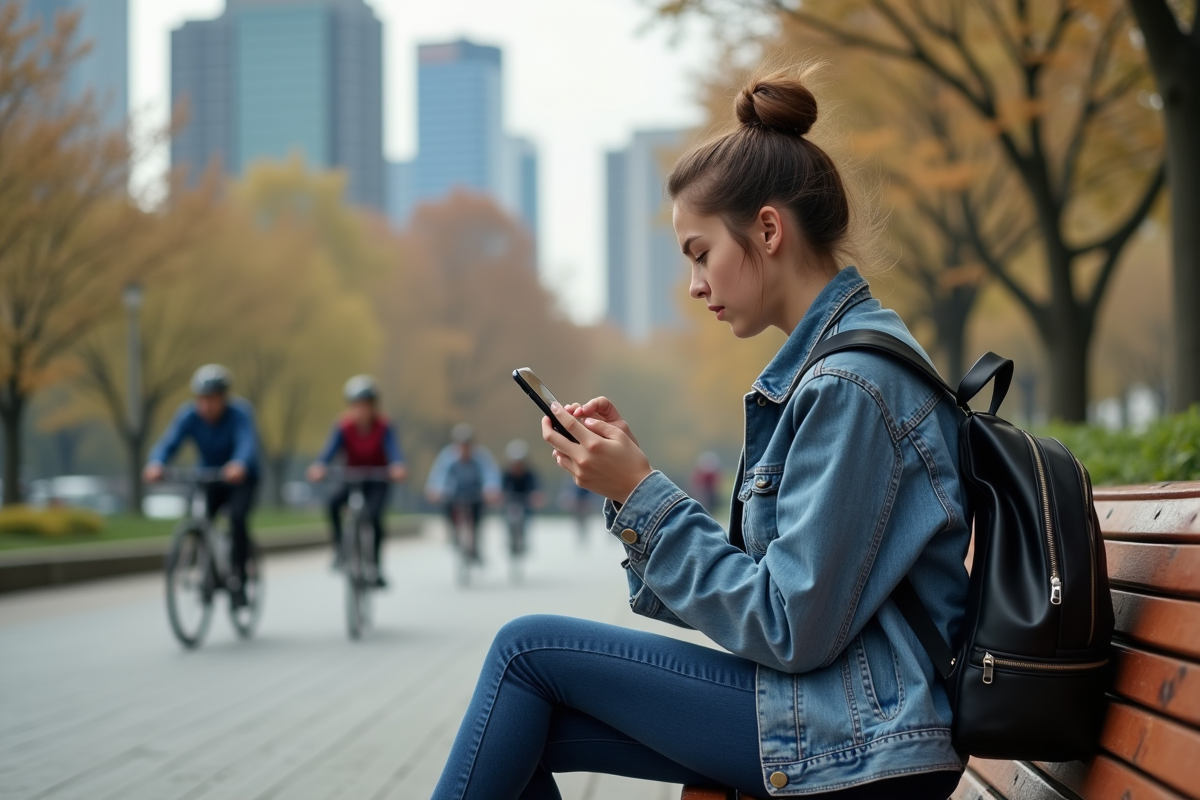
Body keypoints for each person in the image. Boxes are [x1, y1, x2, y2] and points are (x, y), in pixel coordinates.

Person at [431, 69, 970, 800]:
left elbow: (787, 627)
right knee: (522, 714)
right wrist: (635, 494)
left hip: (864, 729)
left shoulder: (850, 386)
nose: (694, 284)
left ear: (769, 230)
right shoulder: (832, 370)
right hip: (840, 704)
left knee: (525, 653)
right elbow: (763, 603)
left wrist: (644, 495)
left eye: (698, 252)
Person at [144, 364, 261, 608]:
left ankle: (239, 579)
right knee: (201, 518)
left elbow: (246, 442)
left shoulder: (240, 413)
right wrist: (156, 463)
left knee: (238, 519)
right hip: (208, 476)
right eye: (202, 399)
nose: (206, 406)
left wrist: (239, 463)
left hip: (240, 478)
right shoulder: (189, 416)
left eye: (213, 399)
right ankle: (207, 570)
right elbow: (169, 442)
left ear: (224, 398)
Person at [306, 375, 407, 587]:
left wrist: (397, 465)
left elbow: (393, 450)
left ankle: (375, 566)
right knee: (333, 503)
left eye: (365, 405)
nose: (361, 410)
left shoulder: (384, 426)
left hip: (377, 479)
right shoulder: (343, 427)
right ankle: (340, 548)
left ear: (373, 406)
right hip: (351, 478)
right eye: (356, 406)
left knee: (375, 517)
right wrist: (320, 466)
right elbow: (329, 451)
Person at [425, 423, 501, 564]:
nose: (464, 448)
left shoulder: (481, 457)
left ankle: (475, 544)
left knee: (477, 519)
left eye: (467, 444)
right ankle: (453, 531)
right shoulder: (448, 457)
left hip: (476, 494)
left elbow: (490, 474)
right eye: (460, 444)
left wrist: (491, 489)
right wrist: (436, 489)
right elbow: (439, 475)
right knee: (447, 509)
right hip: (455, 493)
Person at [500, 439, 543, 561]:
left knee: (526, 520)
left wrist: (536, 496)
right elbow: (500, 489)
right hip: (511, 504)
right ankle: (510, 540)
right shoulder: (506, 474)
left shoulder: (530, 474)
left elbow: (536, 488)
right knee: (508, 519)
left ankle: (523, 538)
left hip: (525, 505)